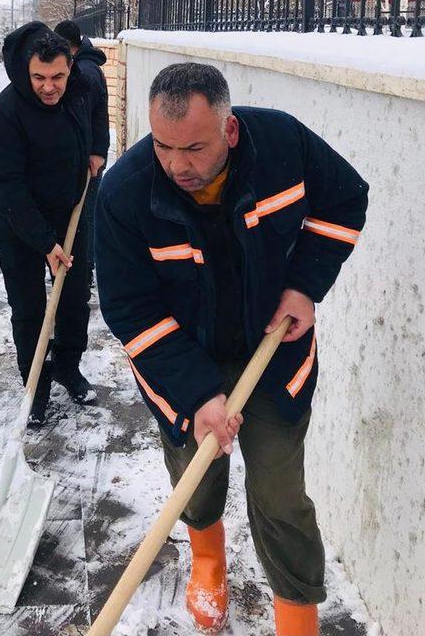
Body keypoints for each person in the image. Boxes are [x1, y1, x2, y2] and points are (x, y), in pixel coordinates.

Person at [95, 63, 368, 635]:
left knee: (279, 493)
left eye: (194, 147)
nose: (177, 165)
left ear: (230, 130)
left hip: (273, 350)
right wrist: (198, 394)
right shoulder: (125, 192)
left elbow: (345, 201)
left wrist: (303, 286)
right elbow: (131, 310)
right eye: (164, 147)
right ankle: (208, 559)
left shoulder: (281, 145)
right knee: (197, 475)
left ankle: (297, 617)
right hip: (180, 360)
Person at [0, 23, 105, 425]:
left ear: (70, 68)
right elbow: (8, 190)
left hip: (70, 211)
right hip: (20, 221)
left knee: (72, 300)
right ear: (24, 71)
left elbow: (98, 110)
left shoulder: (79, 89)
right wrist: (46, 243)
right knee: (30, 305)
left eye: (58, 77)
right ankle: (35, 383)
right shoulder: (3, 116)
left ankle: (68, 367)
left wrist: (96, 150)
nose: (50, 87)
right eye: (39, 78)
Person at [54, 20, 110, 287]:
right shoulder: (85, 67)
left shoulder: (84, 72)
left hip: (86, 159)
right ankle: (84, 268)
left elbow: (88, 118)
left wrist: (94, 152)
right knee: (83, 214)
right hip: (87, 155)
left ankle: (85, 271)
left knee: (84, 216)